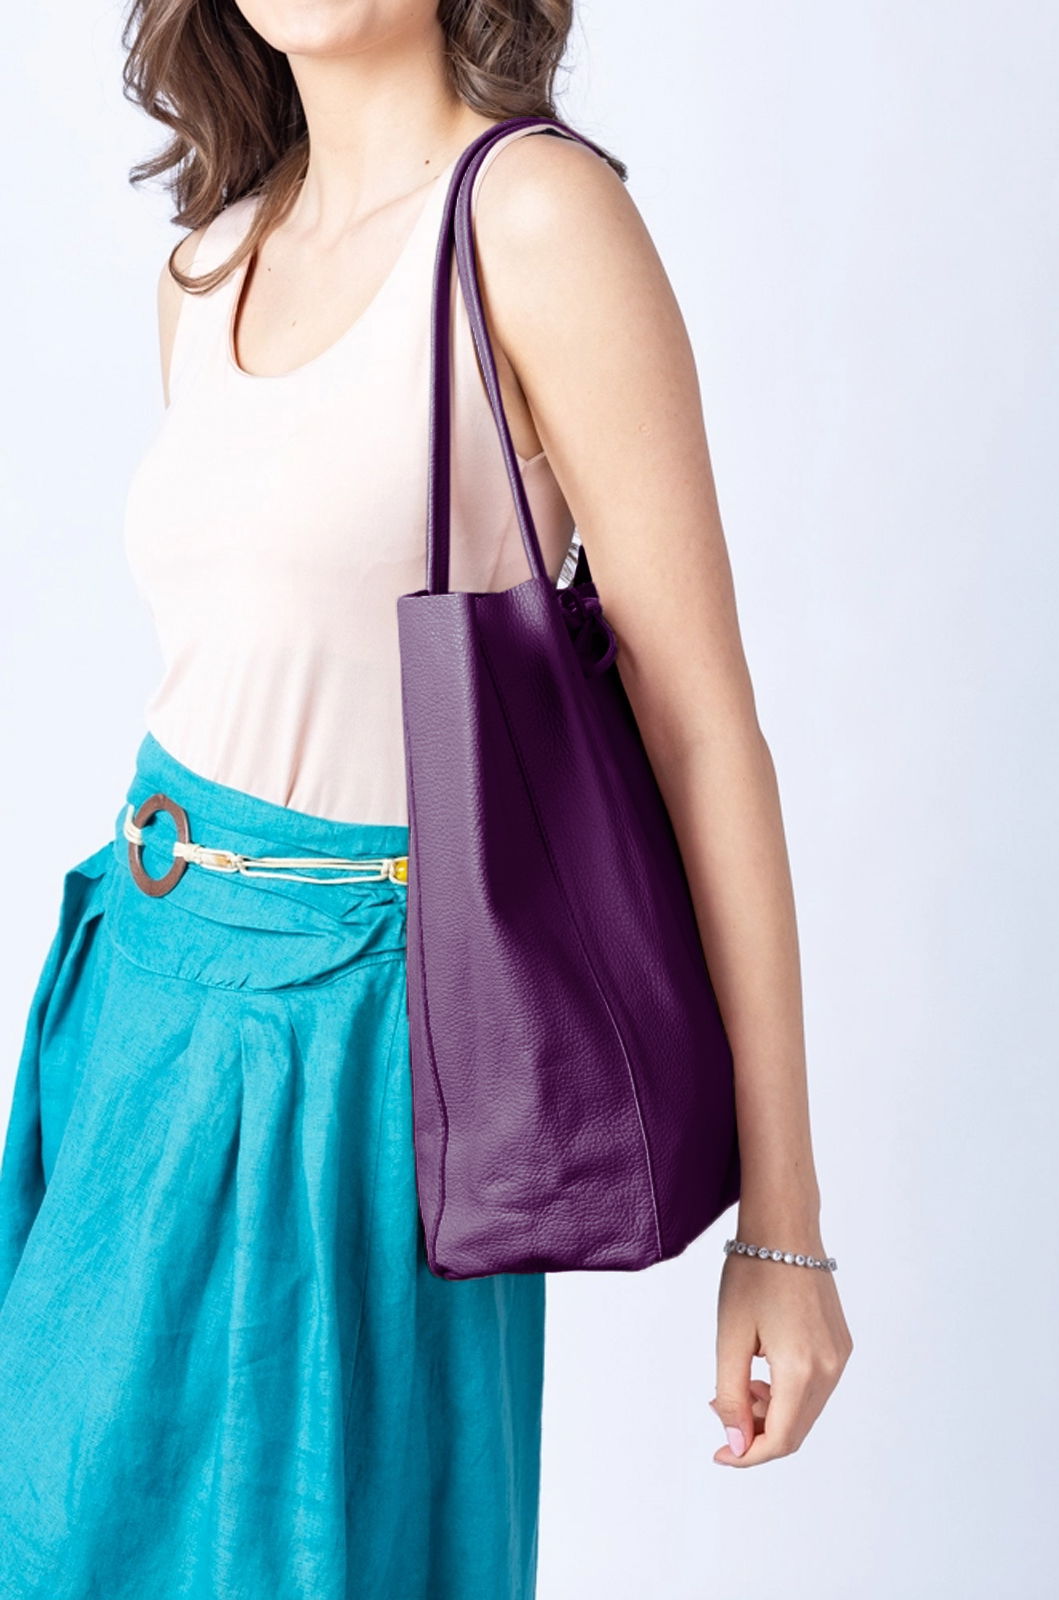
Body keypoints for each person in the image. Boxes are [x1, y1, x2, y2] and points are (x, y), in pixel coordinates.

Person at [0, 1, 852, 1595]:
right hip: (133, 1006)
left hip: (371, 1060)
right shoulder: (209, 262)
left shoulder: (532, 219)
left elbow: (703, 730)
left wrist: (780, 1229)